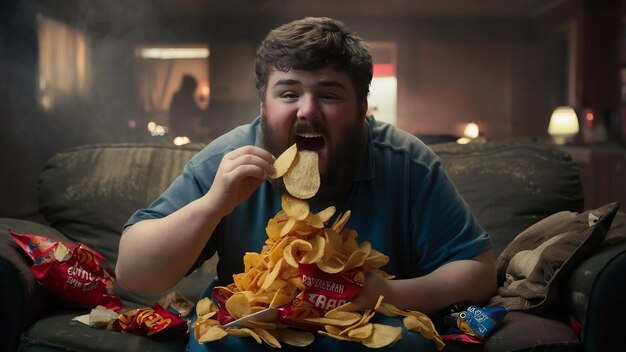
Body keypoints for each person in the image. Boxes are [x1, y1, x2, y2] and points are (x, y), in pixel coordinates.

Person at [116, 17, 496, 351]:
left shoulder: (406, 162)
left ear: (362, 107)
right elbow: (134, 273)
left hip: (367, 327)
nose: (308, 109)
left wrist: (389, 294)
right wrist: (214, 204)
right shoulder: (225, 161)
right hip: (253, 329)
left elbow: (478, 272)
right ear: (263, 104)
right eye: (289, 93)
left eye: (329, 95)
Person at [169, 74, 207, 141]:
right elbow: (176, 115)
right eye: (194, 87)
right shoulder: (181, 97)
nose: (195, 89)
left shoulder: (187, 97)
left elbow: (197, 112)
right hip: (182, 130)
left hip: (185, 130)